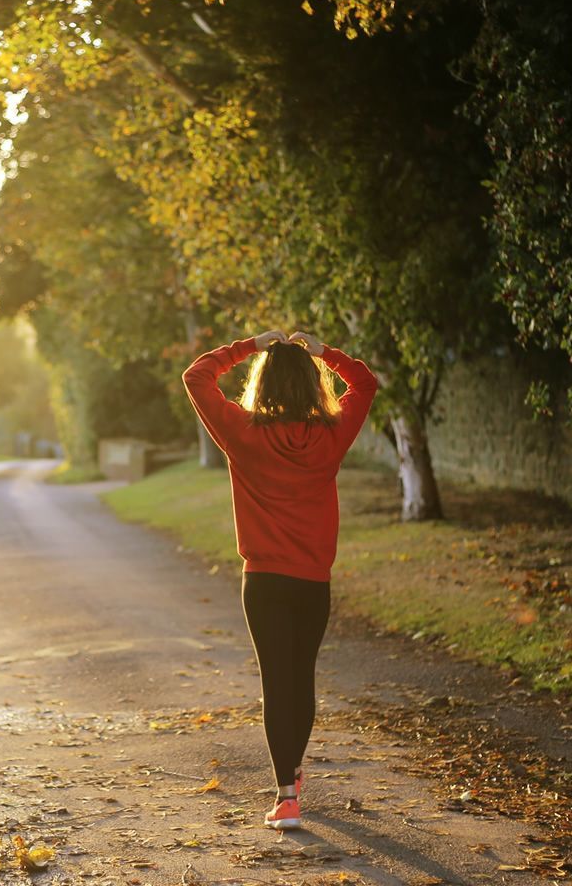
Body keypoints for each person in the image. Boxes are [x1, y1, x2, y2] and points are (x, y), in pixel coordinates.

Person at [181, 328, 379, 831]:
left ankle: (286, 796)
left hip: (264, 581)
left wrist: (249, 345)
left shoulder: (242, 433)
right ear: (313, 385)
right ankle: (291, 776)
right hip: (313, 581)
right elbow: (366, 383)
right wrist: (323, 352)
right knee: (302, 677)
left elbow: (197, 376)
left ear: (262, 384)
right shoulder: (332, 435)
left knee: (276, 680)